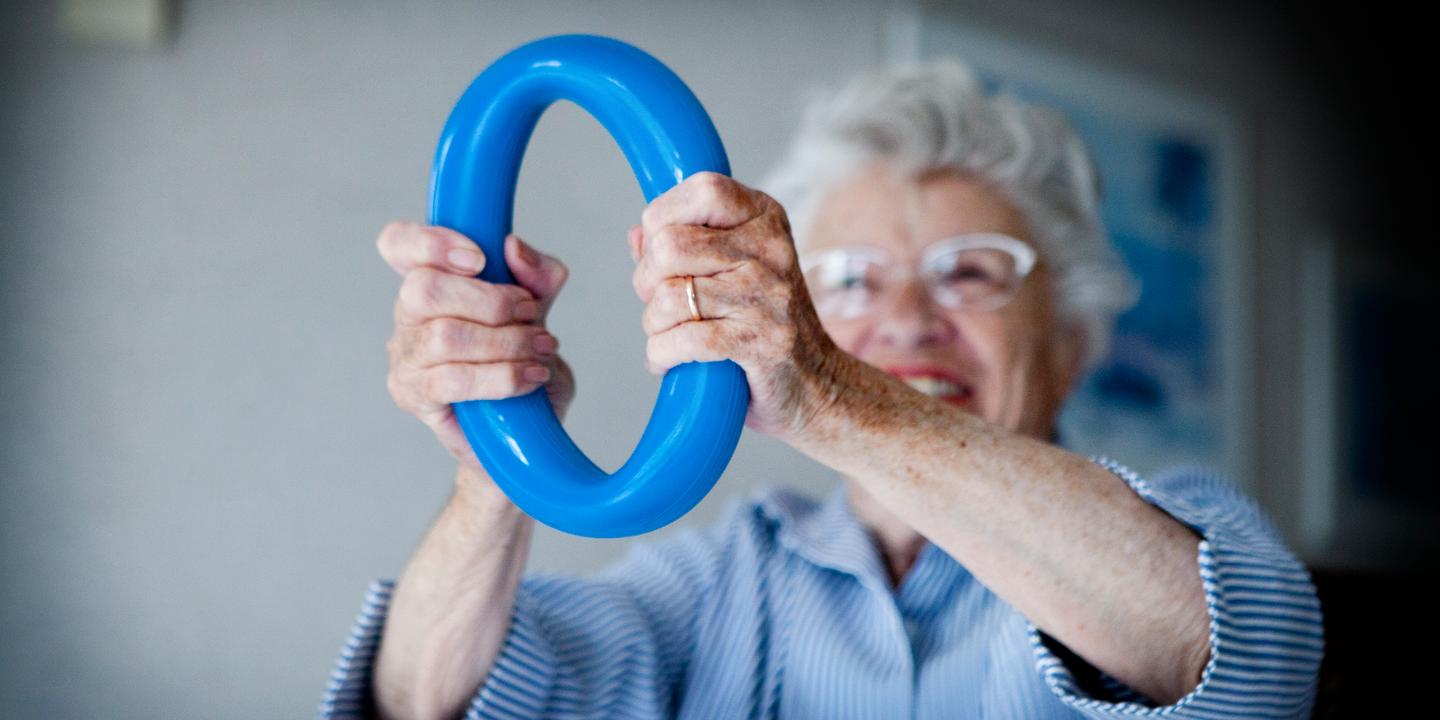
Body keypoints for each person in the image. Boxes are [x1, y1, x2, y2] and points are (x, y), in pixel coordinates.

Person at [318, 59, 1323, 719]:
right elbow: (426, 703)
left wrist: (835, 394)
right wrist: (497, 457)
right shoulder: (723, 580)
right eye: (847, 279)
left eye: (970, 271)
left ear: (1070, 341)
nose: (907, 319)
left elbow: (1239, 664)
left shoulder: (1172, 524)